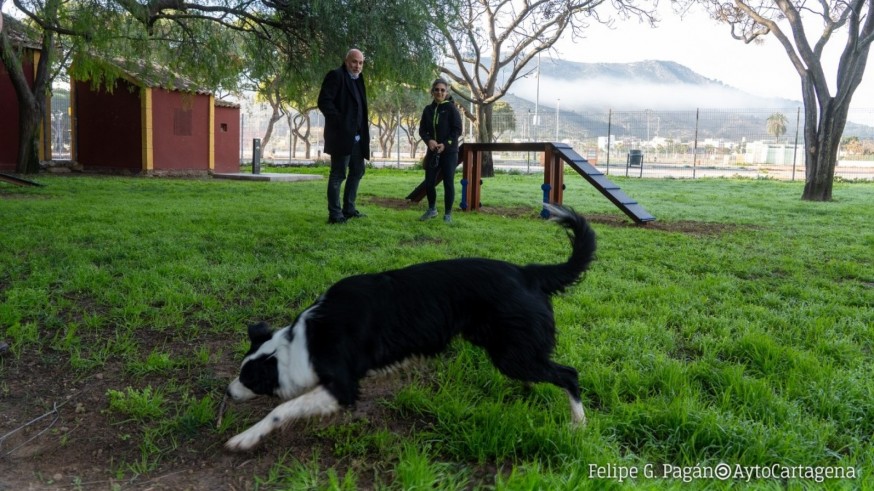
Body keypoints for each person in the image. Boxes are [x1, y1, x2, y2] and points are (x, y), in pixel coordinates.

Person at [318, 49, 370, 224]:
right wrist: (341, 122)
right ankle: (335, 214)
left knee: (358, 171)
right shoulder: (336, 75)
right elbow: (324, 101)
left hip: (357, 138)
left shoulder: (358, 80)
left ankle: (348, 208)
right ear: (346, 61)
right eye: (354, 62)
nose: (357, 66)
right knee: (338, 174)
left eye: (361, 63)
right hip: (341, 136)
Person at [418, 78, 463, 223]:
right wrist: (429, 140)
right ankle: (432, 209)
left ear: (446, 92)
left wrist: (445, 144)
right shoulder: (428, 110)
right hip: (433, 151)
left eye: (442, 90)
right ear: (432, 92)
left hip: (449, 152)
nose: (439, 92)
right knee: (429, 182)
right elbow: (422, 130)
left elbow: (457, 130)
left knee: (448, 182)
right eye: (437, 89)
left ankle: (448, 214)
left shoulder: (451, 108)